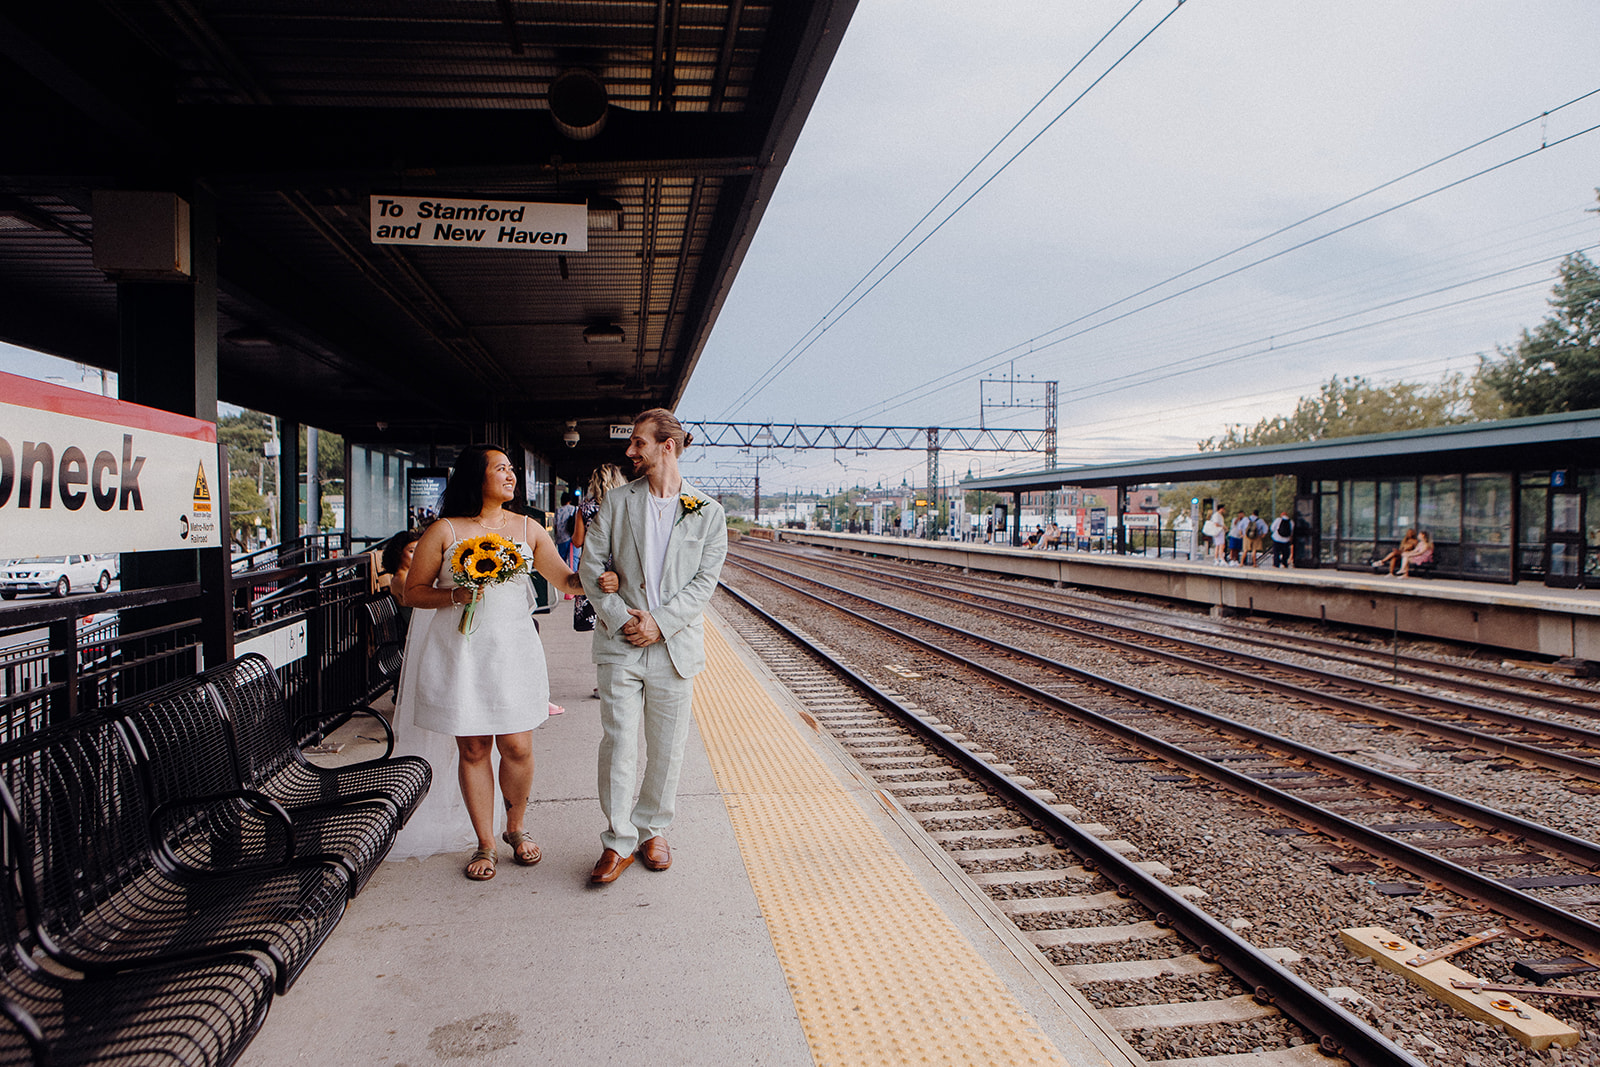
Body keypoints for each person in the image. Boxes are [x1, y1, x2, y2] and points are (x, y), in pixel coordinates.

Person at [392, 444, 617, 880]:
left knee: (517, 746)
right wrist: (456, 594)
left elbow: (565, 579)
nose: (511, 475)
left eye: (512, 469)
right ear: (477, 476)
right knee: (474, 747)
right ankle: (486, 843)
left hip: (513, 651)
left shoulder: (528, 528)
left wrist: (598, 576)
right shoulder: (444, 530)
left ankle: (516, 827)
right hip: (461, 654)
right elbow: (413, 592)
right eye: (501, 469)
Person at [579, 409, 728, 885]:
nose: (630, 451)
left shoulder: (708, 512)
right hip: (620, 641)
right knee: (619, 742)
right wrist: (624, 618)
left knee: (667, 747)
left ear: (668, 445)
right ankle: (618, 839)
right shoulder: (616, 501)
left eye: (638, 442)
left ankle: (653, 830)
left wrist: (659, 625)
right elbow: (590, 566)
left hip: (674, 647)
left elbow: (704, 583)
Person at [554, 491, 578, 595]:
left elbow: (555, 525)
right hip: (573, 537)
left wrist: (556, 537)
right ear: (570, 500)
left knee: (562, 560)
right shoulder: (574, 509)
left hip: (561, 538)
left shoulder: (558, 510)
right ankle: (573, 583)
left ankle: (563, 582)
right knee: (573, 559)